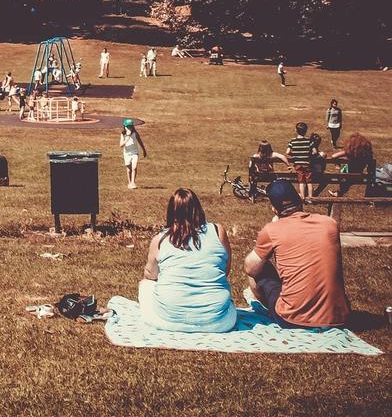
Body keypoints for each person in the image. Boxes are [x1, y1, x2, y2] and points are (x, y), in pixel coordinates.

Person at [244, 180, 351, 328]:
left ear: (274, 209)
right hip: (338, 317)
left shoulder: (272, 230)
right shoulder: (329, 224)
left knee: (261, 267)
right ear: (300, 198)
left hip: (292, 318)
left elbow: (250, 268)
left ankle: (270, 310)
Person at [138, 188, 236, 333]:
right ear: (198, 208)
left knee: (145, 285)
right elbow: (225, 269)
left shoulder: (160, 239)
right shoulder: (217, 231)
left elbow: (151, 275)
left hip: (168, 320)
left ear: (171, 212)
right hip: (218, 321)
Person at [285, 122, 314, 199]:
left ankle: (303, 197)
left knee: (301, 181)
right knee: (309, 181)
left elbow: (287, 152)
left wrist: (294, 154)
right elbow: (315, 152)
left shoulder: (293, 141)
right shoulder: (309, 141)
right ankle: (311, 197)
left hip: (298, 164)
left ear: (296, 130)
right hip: (307, 164)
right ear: (306, 131)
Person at [120, 119, 147, 189]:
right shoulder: (123, 134)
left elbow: (140, 141)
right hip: (127, 153)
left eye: (131, 126)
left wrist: (144, 150)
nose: (129, 128)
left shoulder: (135, 133)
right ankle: (129, 183)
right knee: (129, 169)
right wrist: (128, 137)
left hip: (135, 152)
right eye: (128, 126)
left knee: (134, 167)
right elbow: (121, 145)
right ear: (124, 127)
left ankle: (133, 182)